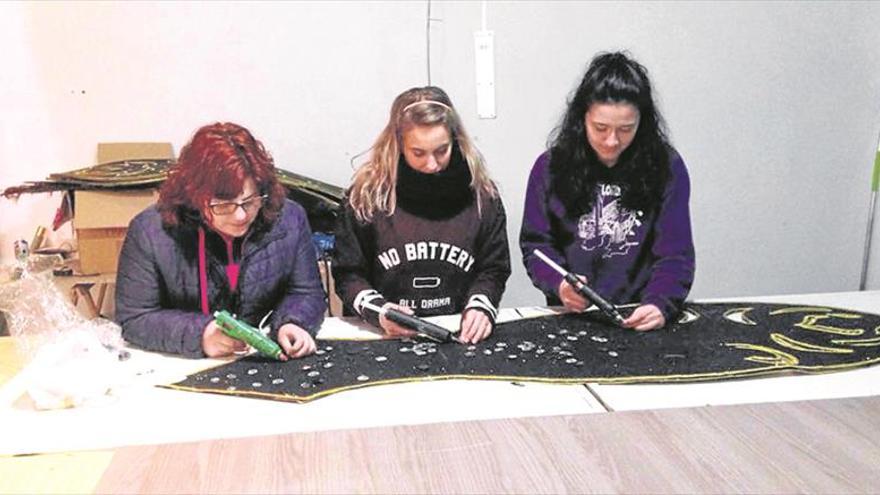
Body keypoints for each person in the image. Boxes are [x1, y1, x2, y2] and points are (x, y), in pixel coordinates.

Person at [115, 122, 326, 359]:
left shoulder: (289, 218)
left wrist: (294, 322)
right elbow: (134, 318)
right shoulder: (150, 231)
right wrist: (200, 334)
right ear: (194, 196)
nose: (240, 215)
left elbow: (306, 292)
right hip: (182, 363)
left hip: (266, 360)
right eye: (223, 204)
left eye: (249, 200)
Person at [520, 52, 695, 331]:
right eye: (600, 128)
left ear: (643, 123)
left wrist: (660, 303)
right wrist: (560, 284)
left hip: (640, 314)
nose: (612, 141)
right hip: (571, 316)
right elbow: (537, 246)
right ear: (582, 118)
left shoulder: (666, 166)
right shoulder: (550, 167)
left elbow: (676, 254)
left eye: (626, 129)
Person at [333, 86, 511, 344]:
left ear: (456, 140)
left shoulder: (483, 196)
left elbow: (494, 268)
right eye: (418, 153)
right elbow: (348, 274)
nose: (432, 164)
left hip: (457, 332)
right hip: (384, 334)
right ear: (397, 145)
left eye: (442, 150)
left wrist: (482, 306)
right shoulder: (366, 196)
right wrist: (379, 311)